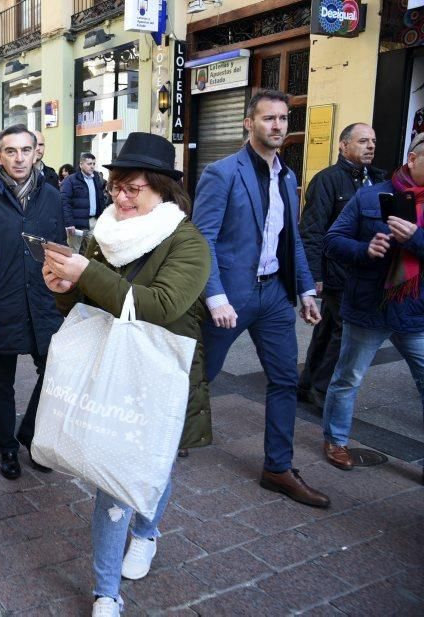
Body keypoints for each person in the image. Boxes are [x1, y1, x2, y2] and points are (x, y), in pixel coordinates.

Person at [42, 132, 211, 617]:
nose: (119, 197)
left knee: (155, 466)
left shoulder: (187, 241)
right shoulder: (104, 233)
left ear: (161, 188)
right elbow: (84, 303)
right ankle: (106, 593)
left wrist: (84, 273)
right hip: (107, 368)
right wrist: (61, 285)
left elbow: (160, 306)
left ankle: (147, 531)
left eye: (132, 188)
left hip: (160, 374)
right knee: (113, 481)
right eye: (116, 186)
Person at [192, 89, 330, 508]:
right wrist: (215, 297)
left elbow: (292, 241)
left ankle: (278, 468)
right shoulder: (222, 172)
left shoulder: (288, 177)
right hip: (230, 295)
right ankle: (166, 434)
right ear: (248, 123)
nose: (277, 126)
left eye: (283, 119)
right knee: (200, 375)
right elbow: (203, 241)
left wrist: (306, 288)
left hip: (273, 294)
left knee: (285, 379)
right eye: (268, 118)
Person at [0, 124, 65, 479]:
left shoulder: (51, 195)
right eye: (11, 151)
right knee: (1, 382)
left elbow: (58, 251)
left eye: (25, 150)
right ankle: (7, 449)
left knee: (54, 371)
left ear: (37, 153)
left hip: (43, 302)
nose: (19, 158)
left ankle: (30, 434)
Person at [320, 132, 424, 471]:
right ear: (412, 159)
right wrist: (364, 250)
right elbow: (333, 239)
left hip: (415, 310)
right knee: (347, 378)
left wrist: (416, 238)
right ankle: (336, 441)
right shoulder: (370, 196)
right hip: (368, 306)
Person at [299, 123, 385, 409]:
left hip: (365, 271)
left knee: (327, 330)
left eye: (372, 141)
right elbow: (312, 231)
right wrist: (314, 276)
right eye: (363, 141)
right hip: (337, 272)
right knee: (342, 332)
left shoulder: (378, 180)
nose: (370, 146)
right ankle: (322, 392)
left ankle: (307, 384)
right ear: (343, 145)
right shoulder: (328, 180)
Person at [61, 152, 107, 253]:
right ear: (81, 164)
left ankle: (87, 269)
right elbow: (65, 202)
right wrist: (69, 223)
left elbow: (101, 200)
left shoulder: (96, 178)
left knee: (93, 252)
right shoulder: (70, 180)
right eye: (89, 164)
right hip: (77, 224)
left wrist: (102, 219)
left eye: (94, 164)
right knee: (73, 253)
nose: (92, 167)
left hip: (94, 222)